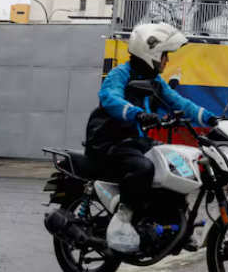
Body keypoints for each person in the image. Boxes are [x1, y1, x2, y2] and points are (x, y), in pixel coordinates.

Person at [85, 22, 217, 252]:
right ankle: (123, 221)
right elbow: (110, 98)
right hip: (111, 142)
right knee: (144, 168)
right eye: (164, 55)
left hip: (136, 143)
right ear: (151, 54)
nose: (167, 61)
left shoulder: (156, 82)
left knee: (176, 164)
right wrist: (138, 114)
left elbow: (180, 103)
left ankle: (176, 224)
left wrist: (210, 118)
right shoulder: (120, 74)